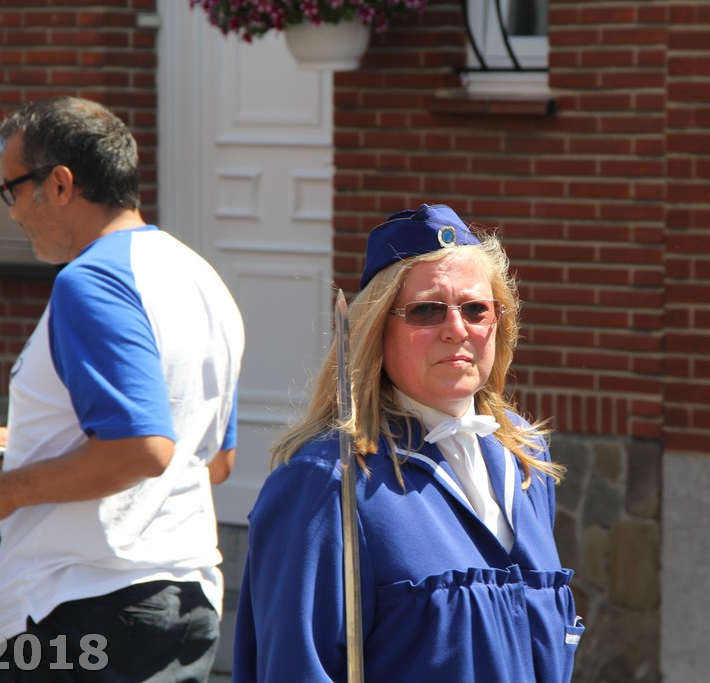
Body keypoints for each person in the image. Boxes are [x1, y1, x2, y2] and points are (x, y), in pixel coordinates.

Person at [233, 204, 583, 683]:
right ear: (377, 329)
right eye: (426, 310)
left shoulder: (525, 458)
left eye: (476, 309)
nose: (456, 329)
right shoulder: (327, 481)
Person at [0, 96, 244, 681]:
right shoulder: (201, 278)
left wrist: (2, 491)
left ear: (60, 184)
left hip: (78, 603)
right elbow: (214, 461)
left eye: (12, 190)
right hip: (182, 598)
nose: (14, 213)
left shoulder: (91, 281)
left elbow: (141, 450)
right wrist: (32, 441)